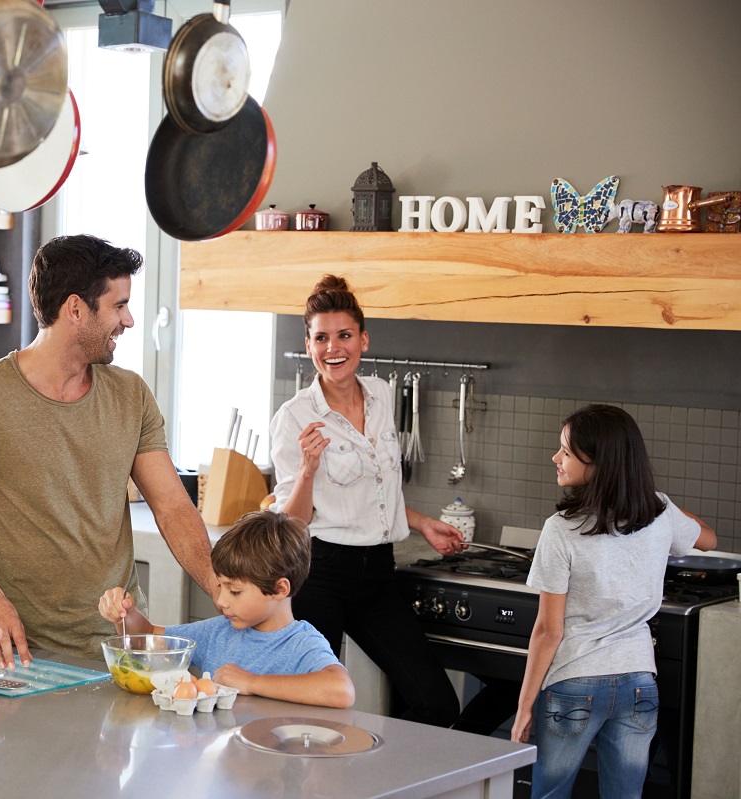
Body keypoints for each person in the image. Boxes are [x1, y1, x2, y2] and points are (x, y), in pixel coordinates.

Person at [0, 234, 216, 669]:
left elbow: (171, 505)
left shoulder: (131, 395)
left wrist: (216, 585)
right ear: (75, 309)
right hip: (23, 655)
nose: (129, 320)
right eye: (119, 305)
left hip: (118, 650)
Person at [267, 274, 465, 727]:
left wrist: (419, 522)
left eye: (344, 335)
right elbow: (292, 523)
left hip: (377, 572)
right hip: (320, 572)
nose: (333, 348)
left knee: (437, 703)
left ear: (363, 338)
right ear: (309, 342)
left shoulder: (380, 393)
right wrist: (310, 469)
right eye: (321, 338)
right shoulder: (294, 417)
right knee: (311, 711)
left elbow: (376, 488)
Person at [511, 404, 716, 798]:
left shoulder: (562, 530)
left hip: (573, 682)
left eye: (566, 452)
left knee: (549, 794)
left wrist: (524, 707)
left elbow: (548, 631)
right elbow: (709, 538)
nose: (556, 458)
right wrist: (658, 503)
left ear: (599, 464)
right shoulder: (660, 513)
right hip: (639, 683)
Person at [99, 510, 356, 708]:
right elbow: (149, 638)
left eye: (235, 591)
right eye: (220, 586)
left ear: (280, 589)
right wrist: (126, 613)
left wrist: (252, 682)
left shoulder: (301, 643)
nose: (221, 601)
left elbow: (341, 690)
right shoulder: (218, 631)